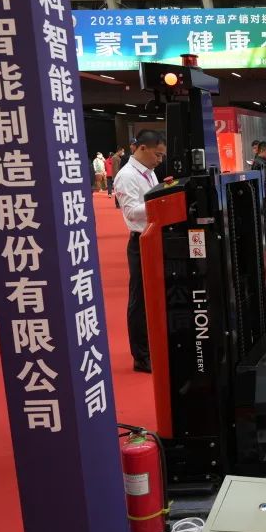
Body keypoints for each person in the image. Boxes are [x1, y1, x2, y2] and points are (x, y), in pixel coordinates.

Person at [113, 129, 167, 373]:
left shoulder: (149, 172)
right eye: (157, 155)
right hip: (140, 241)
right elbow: (131, 212)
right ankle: (141, 356)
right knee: (140, 301)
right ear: (142, 148)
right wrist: (160, 201)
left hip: (155, 237)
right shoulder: (127, 176)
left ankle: (154, 347)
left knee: (155, 298)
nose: (159, 160)